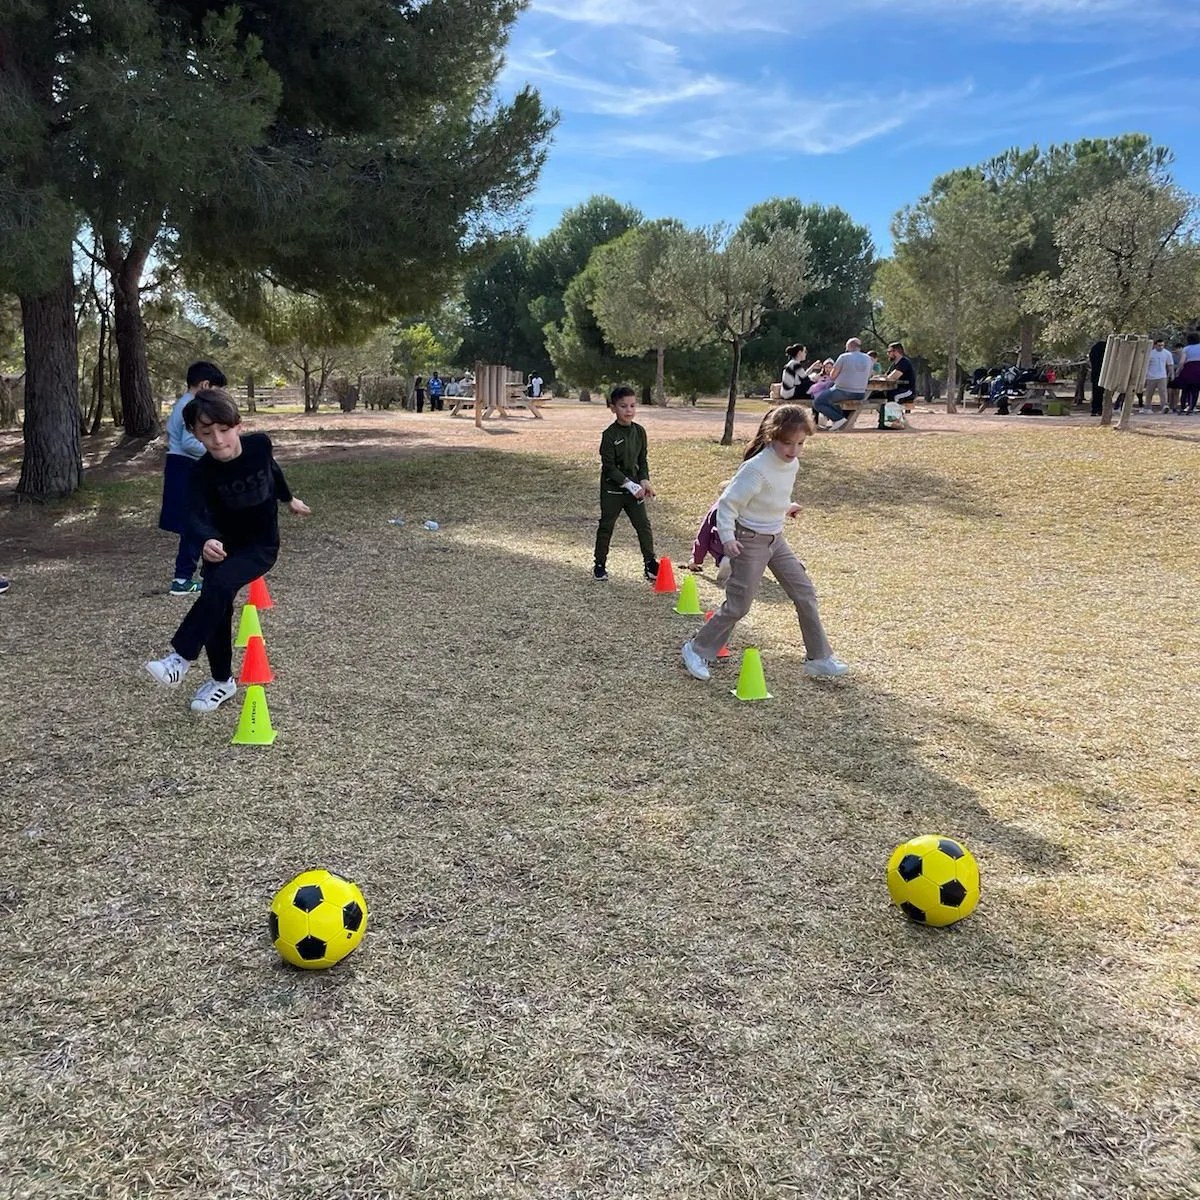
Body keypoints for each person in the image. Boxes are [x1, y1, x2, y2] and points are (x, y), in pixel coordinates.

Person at [145, 388, 310, 713]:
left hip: (260, 546)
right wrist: (206, 538)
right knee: (216, 606)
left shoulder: (260, 445)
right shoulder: (201, 473)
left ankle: (180, 658)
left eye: (224, 429)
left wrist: (288, 499)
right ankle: (222, 682)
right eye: (207, 433)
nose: (218, 440)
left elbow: (273, 471)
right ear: (195, 435)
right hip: (223, 548)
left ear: (239, 426)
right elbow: (192, 515)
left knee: (218, 589)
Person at [680, 405, 848, 682]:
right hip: (748, 539)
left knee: (804, 592)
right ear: (772, 437)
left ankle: (819, 658)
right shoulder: (755, 469)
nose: (793, 450)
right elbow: (727, 505)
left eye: (800, 444)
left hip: (775, 538)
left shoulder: (792, 463)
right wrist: (728, 538)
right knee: (739, 605)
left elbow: (774, 495)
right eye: (787, 443)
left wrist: (786, 506)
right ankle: (696, 649)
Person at [160, 360, 226, 596]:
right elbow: (189, 443)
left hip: (182, 466)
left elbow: (172, 434)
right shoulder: (192, 406)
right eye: (216, 391)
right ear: (205, 384)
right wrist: (218, 451)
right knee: (194, 524)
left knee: (199, 521)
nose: (218, 396)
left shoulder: (182, 404)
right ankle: (182, 579)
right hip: (186, 467)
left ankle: (198, 572)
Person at [593, 385, 659, 583]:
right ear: (613, 408)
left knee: (643, 526)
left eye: (632, 405)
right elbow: (610, 468)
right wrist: (631, 486)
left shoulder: (639, 432)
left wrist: (645, 481)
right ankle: (599, 564)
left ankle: (650, 564)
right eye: (623, 406)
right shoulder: (609, 435)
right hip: (612, 491)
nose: (628, 410)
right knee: (606, 526)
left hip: (636, 491)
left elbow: (642, 460)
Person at [814, 337, 874, 431]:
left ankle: (838, 419)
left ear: (849, 346)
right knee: (833, 400)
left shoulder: (844, 357)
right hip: (861, 393)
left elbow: (832, 375)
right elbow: (869, 375)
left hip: (843, 391)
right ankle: (840, 420)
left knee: (818, 401)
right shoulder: (868, 359)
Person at [876, 342, 917, 428]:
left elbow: (892, 377)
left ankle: (894, 423)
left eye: (889, 351)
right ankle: (890, 421)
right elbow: (887, 376)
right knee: (880, 395)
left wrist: (884, 377)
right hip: (896, 389)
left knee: (894, 396)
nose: (888, 354)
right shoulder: (893, 364)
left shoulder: (904, 362)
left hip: (907, 390)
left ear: (896, 352)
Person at [1143, 338, 1175, 413]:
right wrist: (1144, 376)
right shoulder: (1150, 354)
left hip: (1162, 376)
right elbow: (1146, 365)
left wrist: (1172, 374)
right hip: (1151, 376)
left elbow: (1170, 364)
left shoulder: (1167, 353)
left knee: (1163, 392)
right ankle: (1147, 408)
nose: (1161, 347)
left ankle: (1164, 406)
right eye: (1159, 345)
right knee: (1149, 393)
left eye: (1162, 345)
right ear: (1155, 345)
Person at [1089, 340, 1107, 417]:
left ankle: (1095, 409)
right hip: (1103, 373)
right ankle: (1100, 409)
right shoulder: (1105, 349)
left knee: (1096, 392)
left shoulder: (1094, 349)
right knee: (1102, 392)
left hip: (1095, 373)